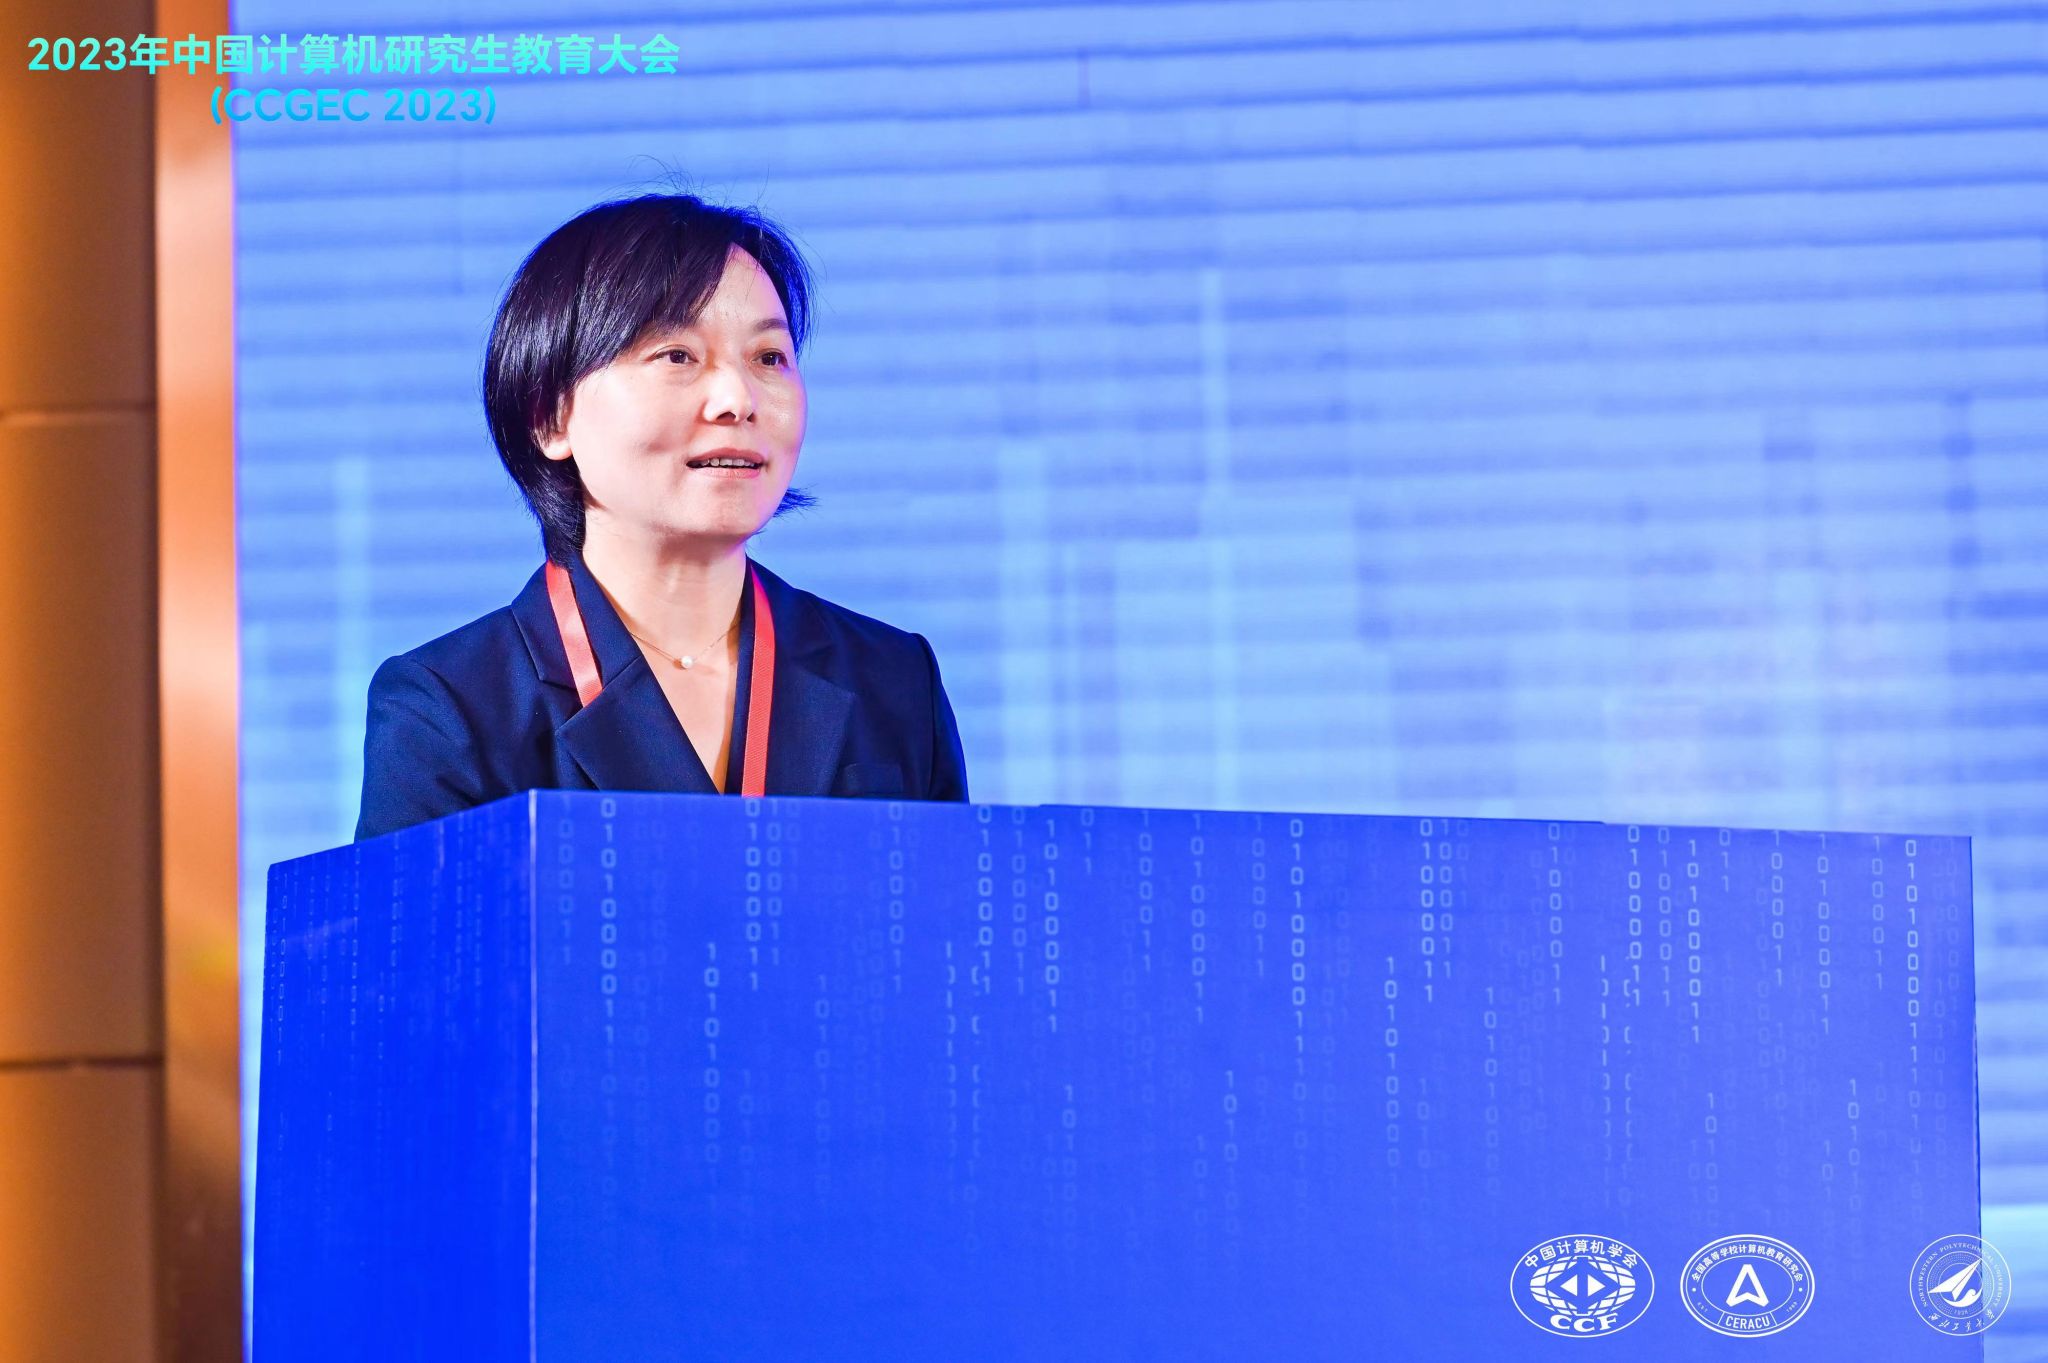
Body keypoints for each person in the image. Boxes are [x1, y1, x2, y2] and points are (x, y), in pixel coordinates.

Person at [353, 192, 969, 841]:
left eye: (769, 358)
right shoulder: (449, 708)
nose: (737, 399)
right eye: (678, 355)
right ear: (551, 417)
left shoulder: (894, 678)